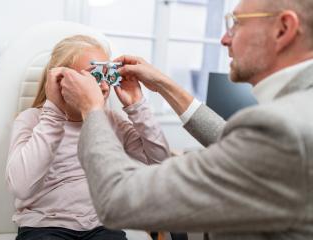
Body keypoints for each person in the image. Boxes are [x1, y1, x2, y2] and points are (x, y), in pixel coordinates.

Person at [56, 0, 313, 239]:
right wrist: (164, 84)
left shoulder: (282, 129)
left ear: (283, 29)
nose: (224, 38)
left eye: (236, 23)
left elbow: (118, 199)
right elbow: (231, 138)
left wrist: (92, 109)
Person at [5, 35, 170, 240]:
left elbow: (160, 164)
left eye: (105, 76)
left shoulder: (110, 121)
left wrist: (137, 105)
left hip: (102, 225)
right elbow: (21, 187)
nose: (102, 87)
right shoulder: (32, 120)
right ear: (60, 80)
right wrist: (54, 113)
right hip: (44, 226)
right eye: (92, 78)